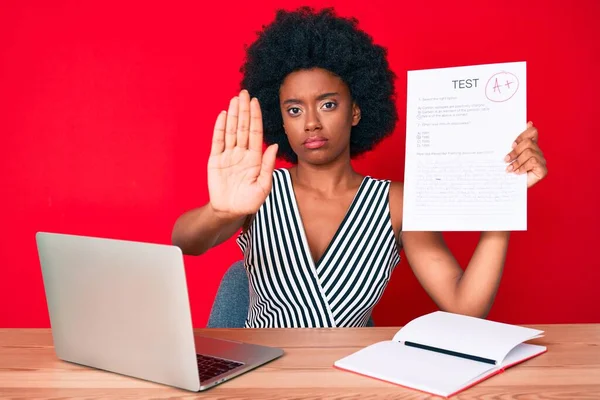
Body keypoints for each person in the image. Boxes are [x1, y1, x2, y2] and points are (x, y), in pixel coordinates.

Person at [171, 7, 548, 328]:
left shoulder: (395, 203)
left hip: (350, 378)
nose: (311, 123)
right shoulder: (258, 189)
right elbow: (185, 242)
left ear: (355, 110)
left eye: (328, 104)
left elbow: (466, 307)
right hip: (262, 377)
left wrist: (503, 201)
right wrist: (221, 211)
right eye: (294, 109)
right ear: (280, 120)